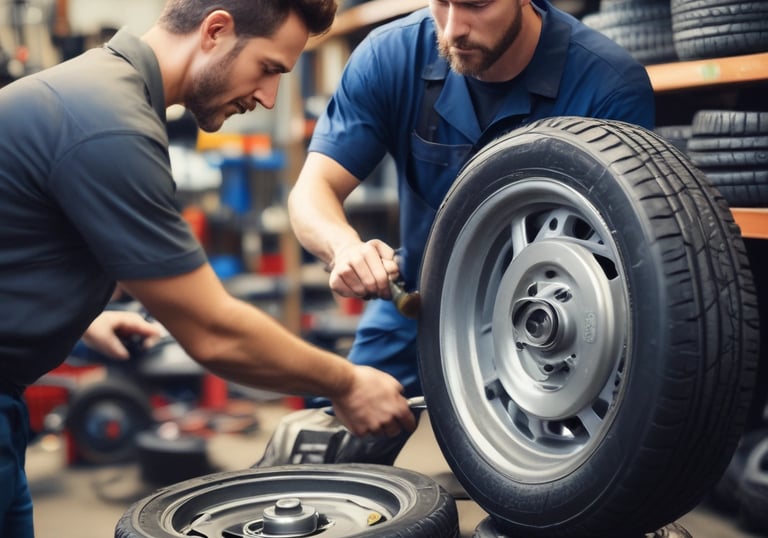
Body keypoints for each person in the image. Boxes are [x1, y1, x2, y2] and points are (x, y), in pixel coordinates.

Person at [0, 1, 418, 535]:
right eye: (268, 69)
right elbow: (214, 331)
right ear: (215, 31)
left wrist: (79, 317)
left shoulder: (97, 93)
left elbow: (21, 241)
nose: (268, 98)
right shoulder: (109, 125)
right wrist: (347, 383)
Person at [284, 0, 656, 462]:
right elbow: (310, 192)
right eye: (441, 3)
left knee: (566, 485)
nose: (454, 29)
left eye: (477, 4)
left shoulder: (606, 85)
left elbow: (635, 257)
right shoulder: (393, 56)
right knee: (331, 453)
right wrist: (343, 247)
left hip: (561, 324)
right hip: (423, 300)